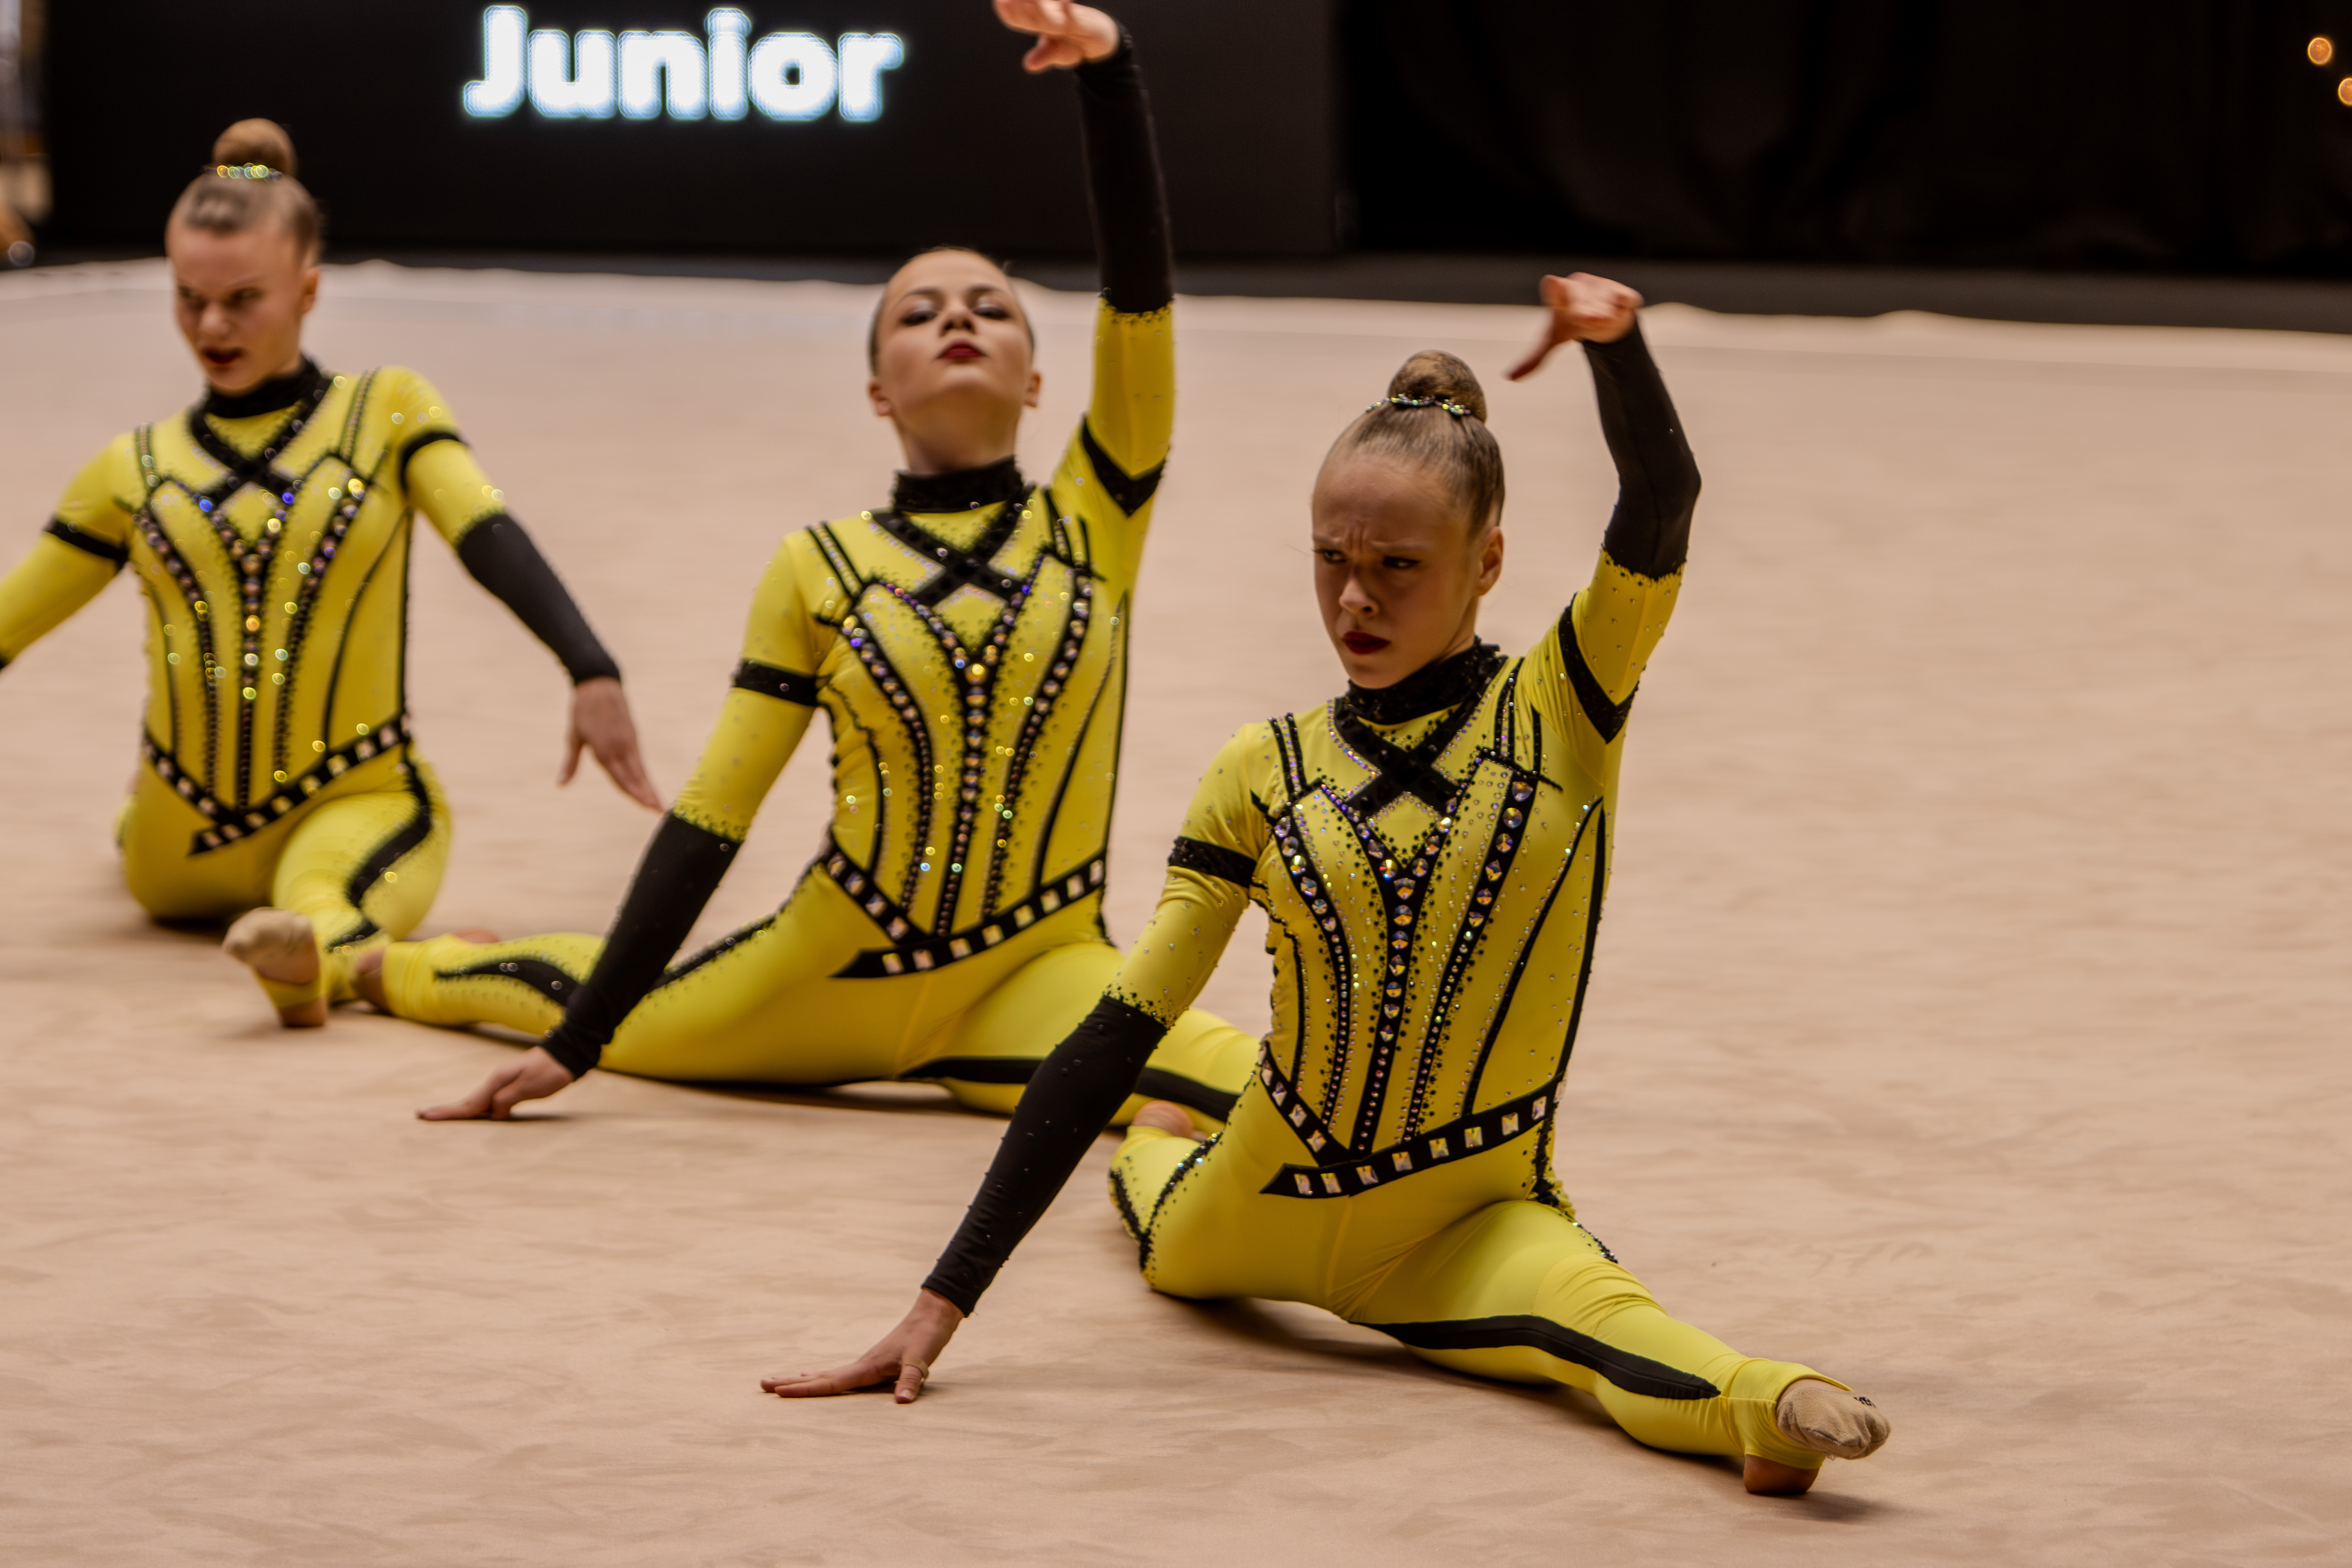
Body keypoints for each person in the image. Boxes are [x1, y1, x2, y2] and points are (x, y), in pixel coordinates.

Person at [767, 273, 1895, 1498]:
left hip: (1464, 1219)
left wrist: (1615, 349)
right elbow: (1118, 1028)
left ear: (1487, 560)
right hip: (1252, 1200)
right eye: (1329, 558)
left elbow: (1659, 503)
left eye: (1398, 564)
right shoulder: (1261, 768)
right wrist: (940, 1302)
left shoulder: (1561, 705)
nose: (1354, 598)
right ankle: (1153, 1150)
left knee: (1595, 1325)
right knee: (1159, 1215)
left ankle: (1767, 1404)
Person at [389, 0, 1256, 1132]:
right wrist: (579, 1043)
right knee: (581, 995)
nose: (958, 320)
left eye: (991, 308)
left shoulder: (1096, 517)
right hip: (819, 975)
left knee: (1261, 1094)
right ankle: (382, 965)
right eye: (919, 313)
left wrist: (1110, 74)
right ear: (877, 391)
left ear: (1039, 380)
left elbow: (1138, 301)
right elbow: (713, 816)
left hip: (1038, 978)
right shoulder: (820, 566)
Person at [0, 118, 656, 1028]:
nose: (213, 326)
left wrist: (589, 665)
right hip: (188, 850)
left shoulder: (379, 415)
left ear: (308, 289)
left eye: (243, 299)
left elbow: (485, 532)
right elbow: (12, 620)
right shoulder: (135, 467)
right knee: (318, 903)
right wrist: (588, 666)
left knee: (316, 888)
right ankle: (366, 965)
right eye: (190, 298)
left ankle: (301, 943)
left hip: (293, 819)